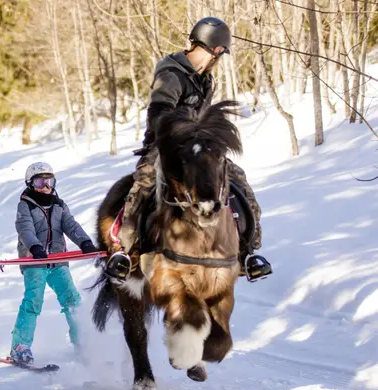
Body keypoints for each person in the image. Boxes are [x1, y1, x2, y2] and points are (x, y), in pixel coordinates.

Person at [112, 16, 272, 280]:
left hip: (199, 149)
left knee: (238, 179)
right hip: (165, 147)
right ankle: (124, 250)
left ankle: (248, 252)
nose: (218, 60)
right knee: (145, 181)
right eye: (220, 54)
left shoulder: (206, 80)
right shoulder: (171, 74)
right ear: (216, 50)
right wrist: (182, 135)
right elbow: (157, 114)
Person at [9, 161, 97, 365]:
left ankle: (82, 344)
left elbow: (70, 225)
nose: (46, 187)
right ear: (31, 184)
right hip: (35, 261)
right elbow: (25, 229)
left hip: (58, 260)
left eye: (50, 181)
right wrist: (35, 247)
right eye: (41, 182)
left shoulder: (59, 204)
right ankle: (19, 347)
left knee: (72, 301)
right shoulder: (25, 205)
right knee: (33, 301)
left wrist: (85, 242)